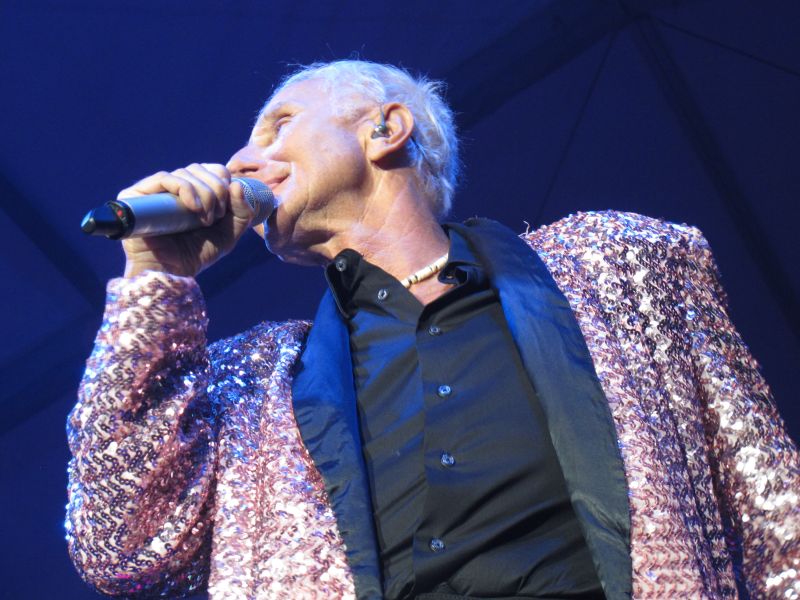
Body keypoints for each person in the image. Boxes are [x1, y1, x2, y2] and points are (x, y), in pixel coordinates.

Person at [66, 60, 799, 600]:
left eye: (279, 125)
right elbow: (119, 546)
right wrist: (154, 281)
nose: (239, 161)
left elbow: (773, 509)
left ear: (386, 129)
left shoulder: (619, 267)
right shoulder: (255, 387)